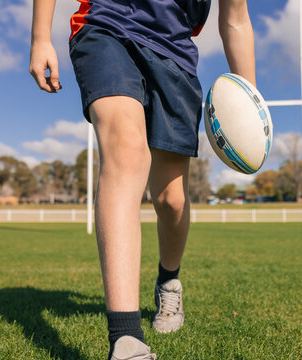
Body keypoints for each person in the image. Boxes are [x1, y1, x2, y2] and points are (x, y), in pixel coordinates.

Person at [30, 0, 255, 358]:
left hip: (175, 56)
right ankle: (126, 338)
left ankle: (169, 280)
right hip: (106, 26)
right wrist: (41, 36)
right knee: (126, 149)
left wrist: (248, 98)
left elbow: (236, 19)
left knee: (171, 200)